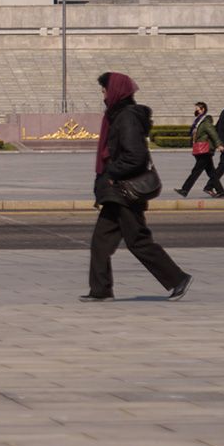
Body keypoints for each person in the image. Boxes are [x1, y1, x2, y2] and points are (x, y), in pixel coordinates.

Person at [82, 72, 191, 303]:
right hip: (116, 192)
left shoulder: (126, 117)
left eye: (104, 90)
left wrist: (111, 174)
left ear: (115, 91)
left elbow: (136, 156)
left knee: (138, 240)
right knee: (100, 243)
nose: (102, 95)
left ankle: (177, 278)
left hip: (124, 190)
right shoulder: (116, 115)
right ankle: (100, 290)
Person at [174, 102, 223, 198]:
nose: (196, 110)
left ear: (203, 109)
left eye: (198, 109)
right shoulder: (198, 121)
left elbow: (213, 133)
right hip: (201, 149)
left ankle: (185, 190)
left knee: (196, 171)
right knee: (211, 173)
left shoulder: (205, 122)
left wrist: (219, 144)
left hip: (205, 150)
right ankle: (221, 191)